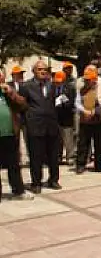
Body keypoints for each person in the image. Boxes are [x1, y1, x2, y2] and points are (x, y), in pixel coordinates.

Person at [19, 61, 62, 193]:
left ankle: (53, 180)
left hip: (52, 125)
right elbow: (22, 105)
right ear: (34, 71)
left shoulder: (52, 85)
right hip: (35, 126)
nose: (43, 71)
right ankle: (36, 183)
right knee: (36, 156)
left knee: (53, 156)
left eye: (45, 69)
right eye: (40, 69)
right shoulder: (26, 86)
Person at [0, 71, 32, 201]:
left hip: (10, 134)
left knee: (14, 164)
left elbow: (23, 105)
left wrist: (11, 93)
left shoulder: (7, 92)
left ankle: (18, 191)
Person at [75, 67, 101, 174]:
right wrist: (84, 111)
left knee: (99, 144)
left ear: (94, 79)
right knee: (82, 143)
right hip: (84, 120)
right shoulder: (81, 89)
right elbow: (77, 103)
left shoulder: (100, 88)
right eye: (85, 79)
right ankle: (80, 164)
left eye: (89, 79)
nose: (86, 81)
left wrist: (94, 111)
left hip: (97, 120)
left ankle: (98, 165)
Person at [54, 71, 76, 165]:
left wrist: (62, 100)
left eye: (60, 81)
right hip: (56, 117)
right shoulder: (52, 88)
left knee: (68, 139)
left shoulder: (70, 89)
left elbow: (71, 103)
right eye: (56, 81)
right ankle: (58, 157)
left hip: (67, 117)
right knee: (57, 140)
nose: (58, 83)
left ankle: (70, 157)